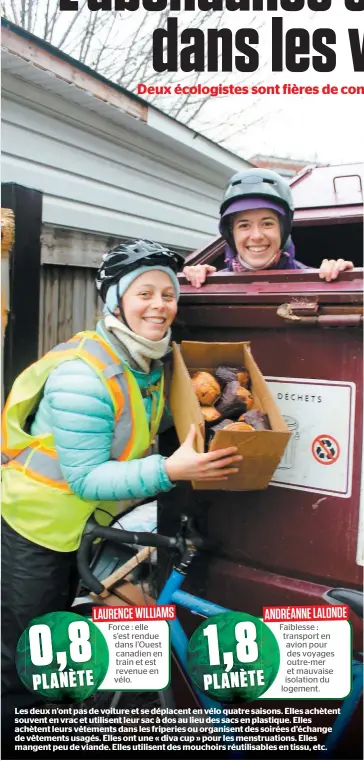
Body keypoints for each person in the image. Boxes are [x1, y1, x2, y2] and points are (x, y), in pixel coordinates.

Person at [1, 239, 242, 716]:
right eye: (144, 293)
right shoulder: (83, 375)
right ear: (115, 300)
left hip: (83, 527)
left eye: (168, 295)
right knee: (27, 657)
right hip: (36, 527)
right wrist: (171, 470)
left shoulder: (148, 360)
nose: (159, 306)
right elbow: (87, 478)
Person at [182, 168, 354, 287]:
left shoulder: (313, 278)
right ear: (230, 232)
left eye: (267, 223)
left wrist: (343, 277)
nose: (256, 235)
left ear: (283, 229)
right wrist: (194, 281)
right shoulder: (210, 281)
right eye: (244, 225)